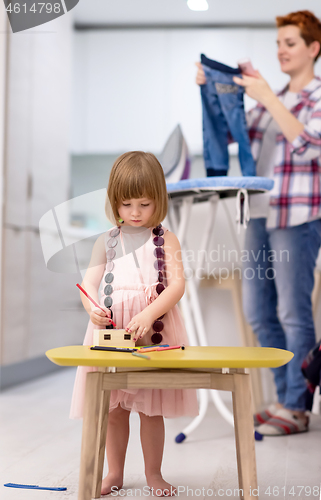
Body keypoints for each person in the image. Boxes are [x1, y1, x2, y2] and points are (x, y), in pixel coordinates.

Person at [196, 10, 321, 436]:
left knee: (291, 310)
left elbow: (307, 146)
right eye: (278, 43)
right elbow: (232, 134)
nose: (281, 50)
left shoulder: (314, 97)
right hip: (259, 213)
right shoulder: (276, 97)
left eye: (290, 43)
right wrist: (215, 92)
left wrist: (268, 96)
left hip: (298, 217)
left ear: (313, 49)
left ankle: (297, 407)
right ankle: (283, 398)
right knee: (258, 311)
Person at [70, 151, 198, 495]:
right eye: (127, 204)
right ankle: (114, 474)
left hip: (152, 334)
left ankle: (153, 474)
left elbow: (177, 285)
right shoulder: (107, 241)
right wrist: (92, 308)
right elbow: (89, 285)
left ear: (159, 199)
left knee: (150, 409)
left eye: (145, 203)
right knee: (114, 409)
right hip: (112, 334)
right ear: (115, 202)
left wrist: (149, 312)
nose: (136, 213)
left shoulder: (166, 239)